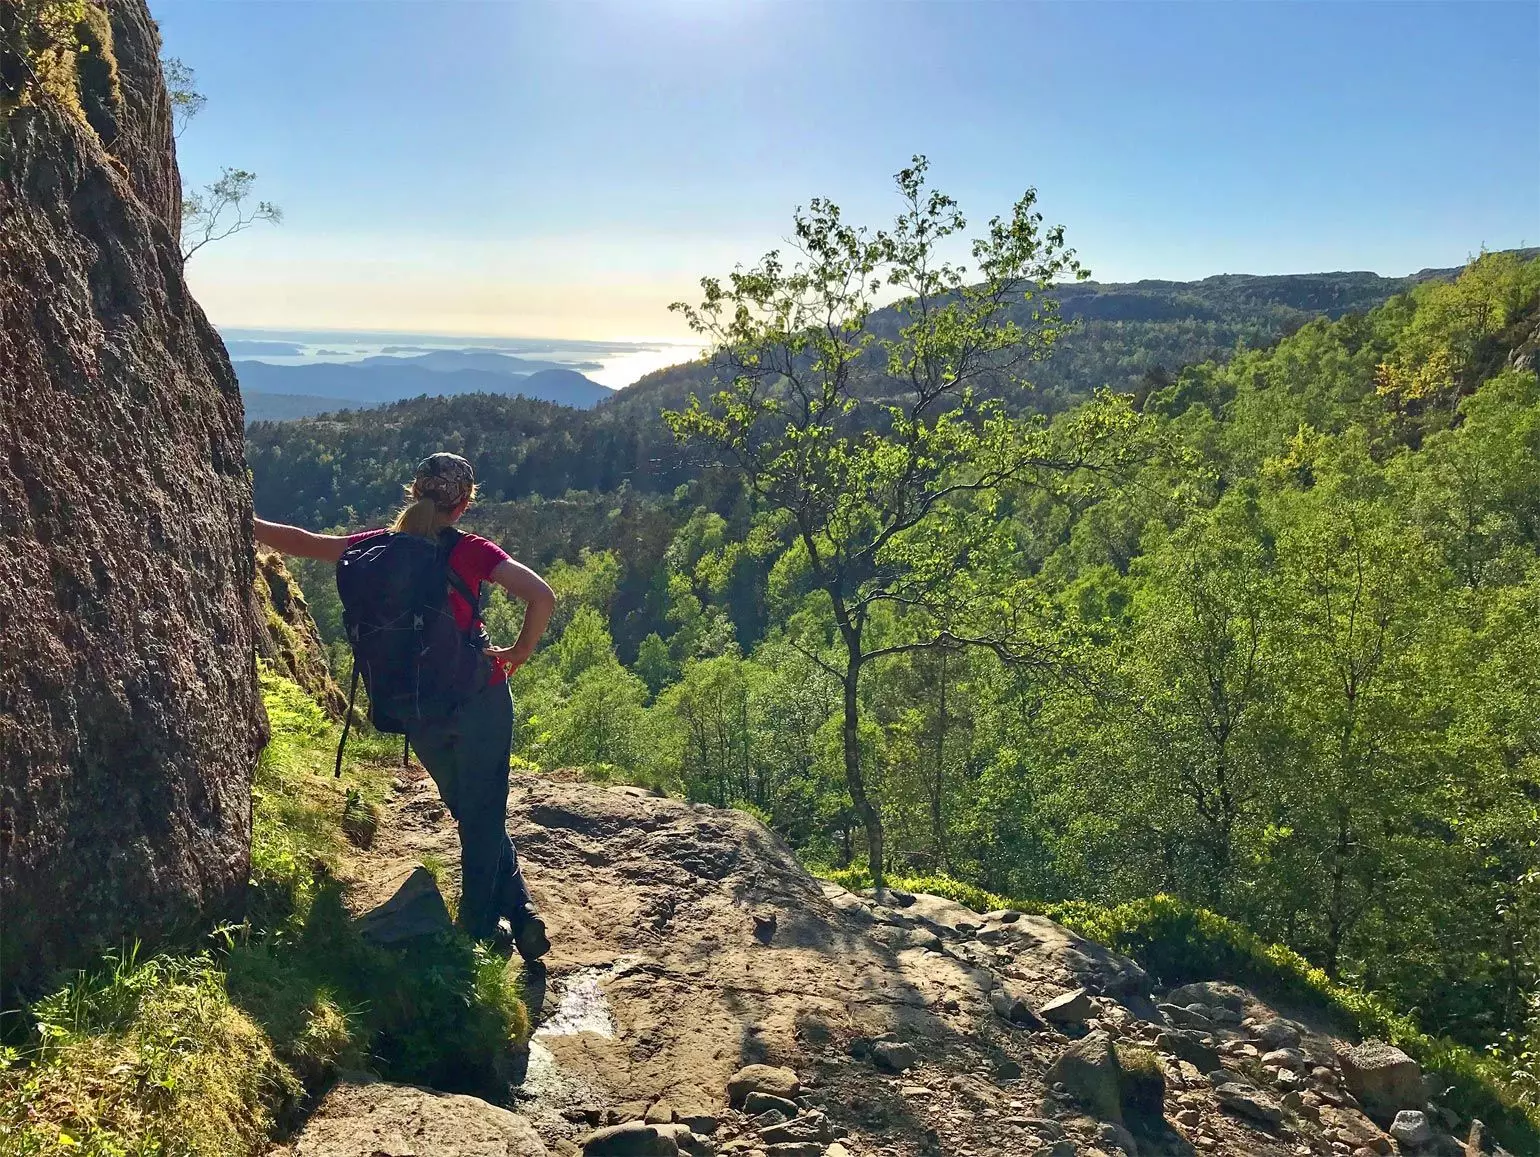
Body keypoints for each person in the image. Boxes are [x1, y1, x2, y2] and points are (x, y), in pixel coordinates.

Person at [254, 452, 556, 962]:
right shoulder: (469, 551)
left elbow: (305, 544)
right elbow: (541, 596)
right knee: (483, 816)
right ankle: (477, 933)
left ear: (414, 493)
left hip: (416, 707)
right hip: (476, 696)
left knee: (471, 813)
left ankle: (521, 913)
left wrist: (245, 519)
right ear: (462, 505)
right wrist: (518, 655)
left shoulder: (375, 547)